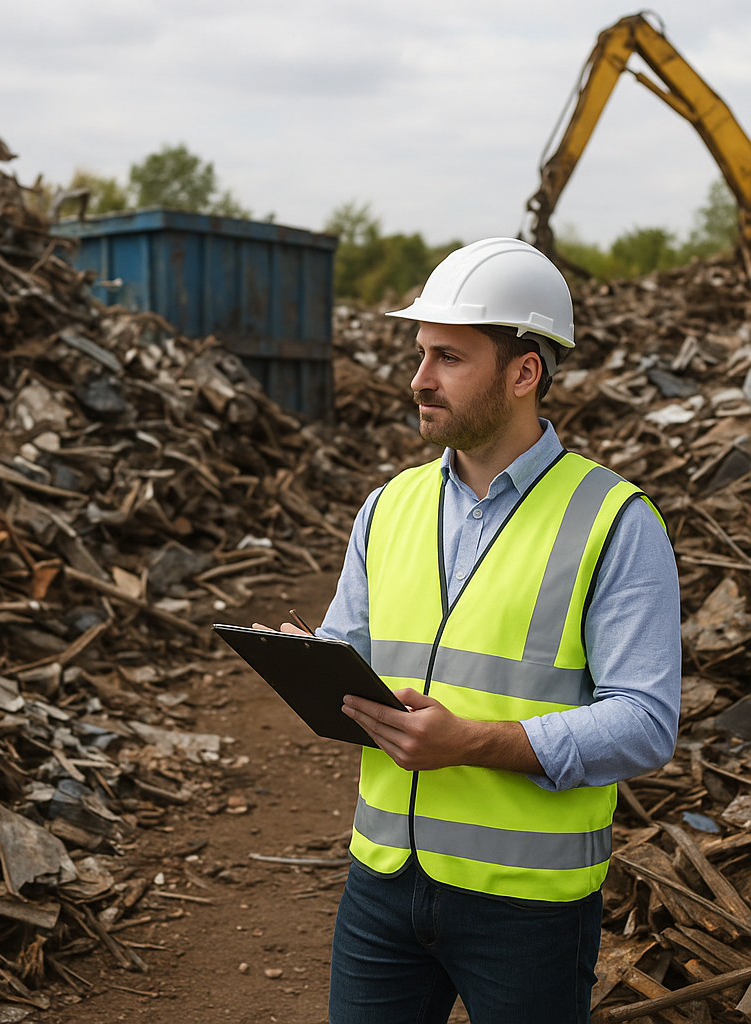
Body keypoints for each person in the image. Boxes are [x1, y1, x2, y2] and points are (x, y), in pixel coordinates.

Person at [272, 238, 681, 1024]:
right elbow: (351, 658)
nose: (417, 380)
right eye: (421, 354)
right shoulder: (388, 506)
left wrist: (473, 743)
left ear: (524, 373)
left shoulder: (615, 522)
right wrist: (307, 664)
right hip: (382, 883)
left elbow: (645, 723)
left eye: (448, 358)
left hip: (526, 907)